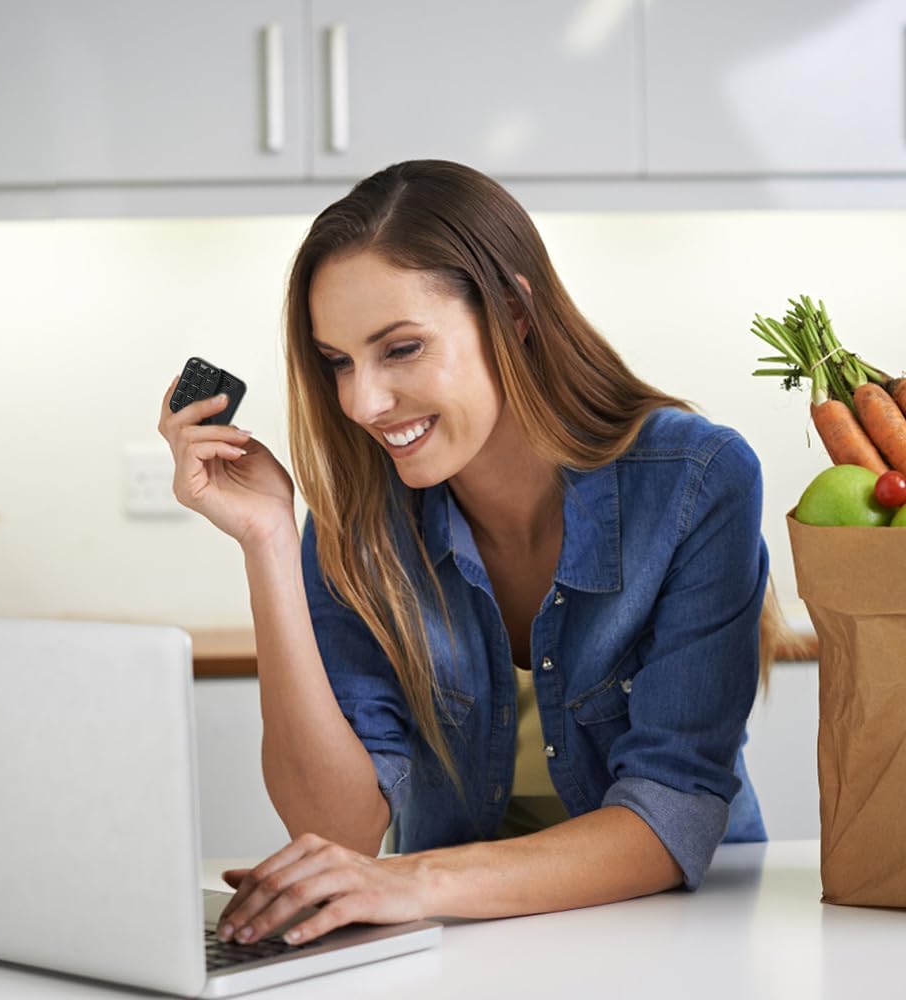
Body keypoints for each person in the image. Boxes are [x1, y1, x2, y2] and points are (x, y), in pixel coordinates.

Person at [158, 159, 791, 948]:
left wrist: (412, 880)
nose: (361, 402)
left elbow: (671, 814)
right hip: (462, 943)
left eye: (402, 348)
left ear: (513, 313)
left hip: (680, 935)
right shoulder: (361, 518)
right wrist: (270, 543)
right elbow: (338, 826)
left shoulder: (697, 482)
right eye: (338, 362)